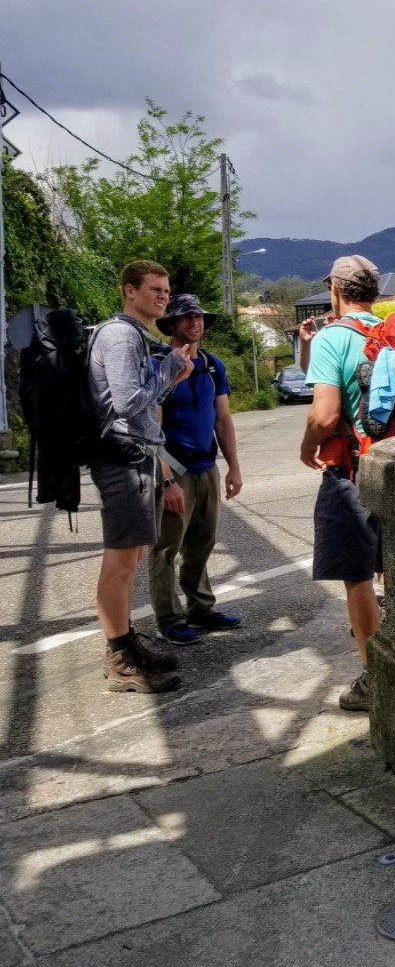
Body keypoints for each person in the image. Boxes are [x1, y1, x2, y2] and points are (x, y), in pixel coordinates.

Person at [88, 261, 196, 693]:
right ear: (129, 291)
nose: (163, 296)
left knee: (129, 559)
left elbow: (147, 401)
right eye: (154, 289)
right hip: (123, 457)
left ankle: (126, 643)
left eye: (166, 290)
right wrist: (169, 369)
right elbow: (127, 402)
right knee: (120, 561)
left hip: (138, 456)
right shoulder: (119, 336)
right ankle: (119, 659)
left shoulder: (136, 335)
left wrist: (173, 376)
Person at [298, 255, 384, 712]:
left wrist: (307, 445)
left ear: (335, 290)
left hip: (352, 470)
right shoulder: (389, 332)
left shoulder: (333, 336)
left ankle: (377, 680)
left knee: (357, 575)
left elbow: (326, 414)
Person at [148, 294, 244, 644]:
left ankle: (200, 608)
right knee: (166, 547)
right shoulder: (159, 365)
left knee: (202, 542)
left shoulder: (212, 365)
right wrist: (166, 479)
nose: (194, 322)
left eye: (199, 317)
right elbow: (151, 427)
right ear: (172, 324)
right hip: (174, 467)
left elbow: (223, 420)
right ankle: (169, 619)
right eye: (186, 317)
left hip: (206, 465)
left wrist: (233, 468)